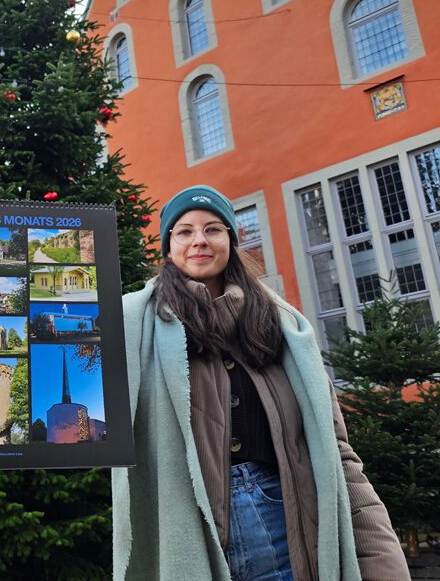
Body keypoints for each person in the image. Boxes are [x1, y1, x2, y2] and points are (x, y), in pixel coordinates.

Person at [113, 185, 409, 581]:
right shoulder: (132, 325)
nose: (199, 240)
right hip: (189, 531)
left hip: (285, 527)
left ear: (231, 242)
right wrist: (5, 233)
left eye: (213, 229)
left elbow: (335, 451)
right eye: (184, 231)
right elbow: (50, 352)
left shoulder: (282, 327)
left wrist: (380, 561)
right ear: (168, 248)